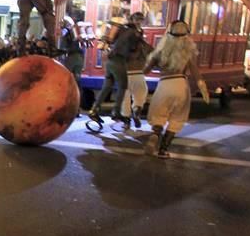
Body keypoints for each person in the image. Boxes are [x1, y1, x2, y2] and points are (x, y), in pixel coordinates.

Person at [141, 20, 208, 158]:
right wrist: (203, 88)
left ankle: (155, 134)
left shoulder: (160, 51)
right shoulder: (187, 52)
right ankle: (163, 150)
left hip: (164, 84)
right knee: (177, 118)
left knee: (159, 115)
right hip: (181, 85)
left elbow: (146, 70)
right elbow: (195, 72)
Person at [89, 12, 144, 124]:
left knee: (107, 86)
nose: (139, 22)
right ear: (132, 19)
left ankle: (94, 110)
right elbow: (133, 48)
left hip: (110, 61)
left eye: (141, 20)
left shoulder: (121, 28)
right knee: (123, 86)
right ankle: (116, 112)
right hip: (119, 60)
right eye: (137, 19)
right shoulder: (133, 32)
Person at [121, 18, 153, 129]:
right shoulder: (143, 45)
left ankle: (126, 122)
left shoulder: (121, 45)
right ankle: (136, 111)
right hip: (139, 75)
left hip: (124, 76)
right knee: (140, 98)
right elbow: (155, 53)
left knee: (124, 100)